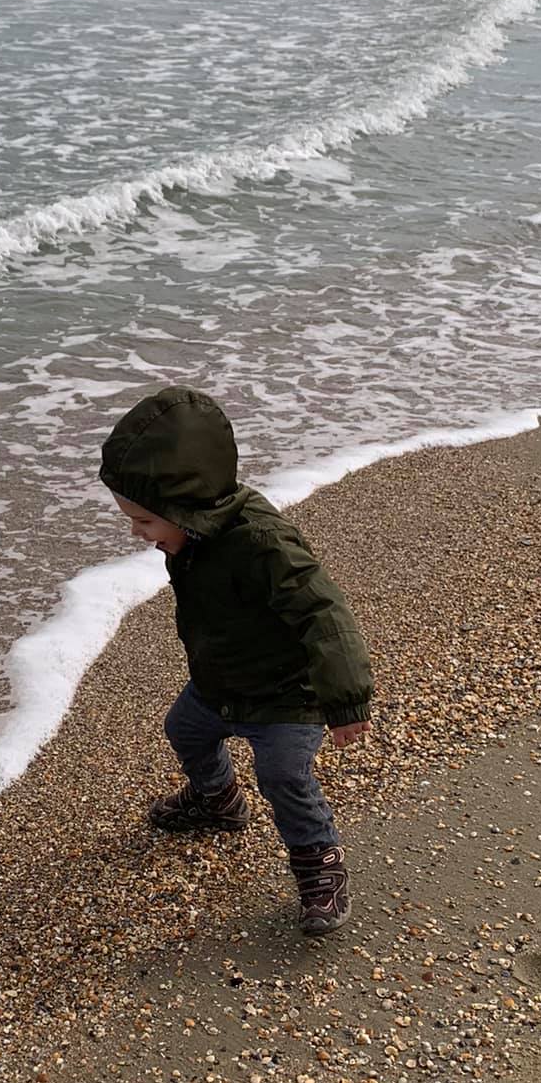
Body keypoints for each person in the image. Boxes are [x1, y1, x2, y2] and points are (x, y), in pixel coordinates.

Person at [99, 383, 373, 935]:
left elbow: (324, 611)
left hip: (286, 694)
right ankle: (217, 799)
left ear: (187, 507)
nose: (138, 533)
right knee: (185, 731)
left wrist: (345, 698)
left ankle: (319, 865)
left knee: (283, 776)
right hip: (220, 682)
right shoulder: (192, 535)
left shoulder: (264, 542)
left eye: (145, 522)